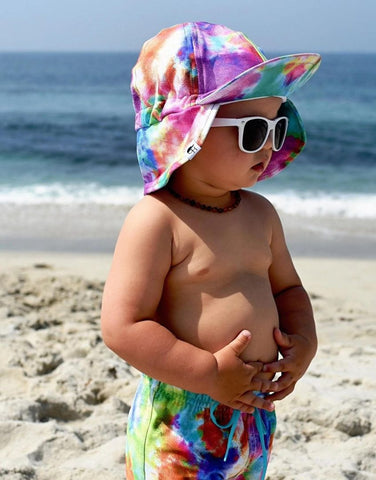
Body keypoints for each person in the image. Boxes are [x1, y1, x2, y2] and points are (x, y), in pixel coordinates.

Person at [101, 21, 321, 480]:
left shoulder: (261, 214)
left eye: (278, 127)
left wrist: (303, 343)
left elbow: (290, 289)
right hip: (183, 416)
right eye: (252, 130)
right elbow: (123, 326)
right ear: (189, 132)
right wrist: (206, 373)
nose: (267, 145)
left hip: (253, 411)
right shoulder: (157, 220)